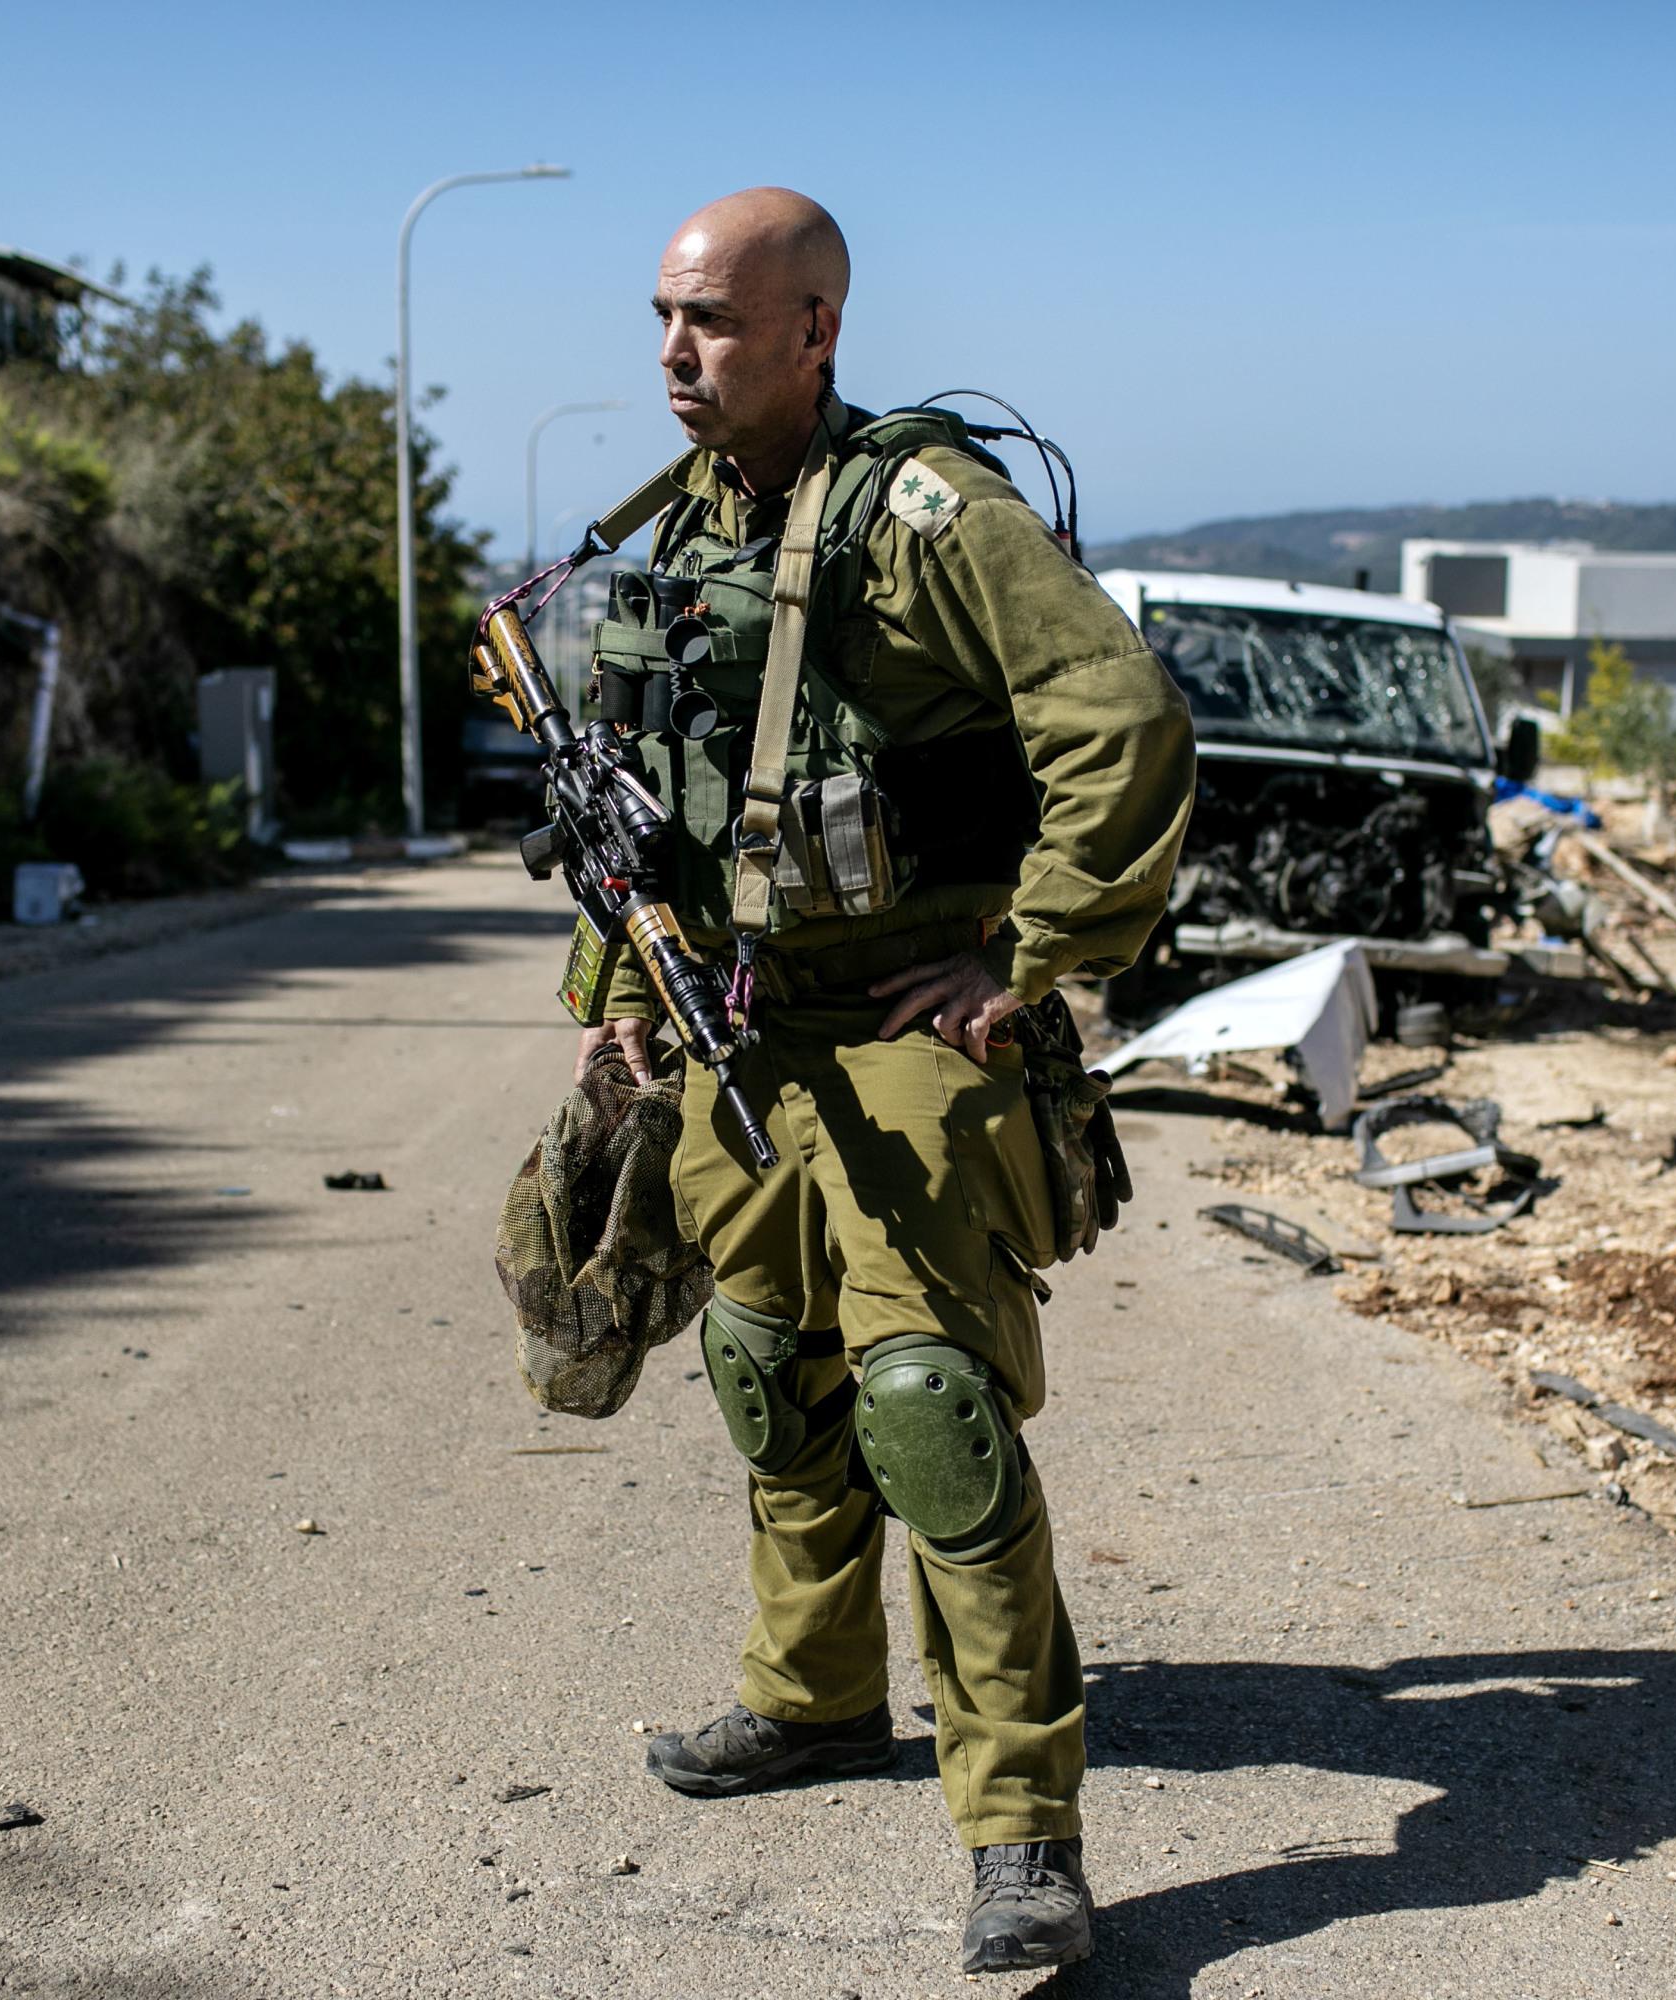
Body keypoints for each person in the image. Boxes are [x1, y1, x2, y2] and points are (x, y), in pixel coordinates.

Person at [571, 186, 1193, 1976]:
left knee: (926, 1399)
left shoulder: (930, 517)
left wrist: (1034, 954)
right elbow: (639, 782)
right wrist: (621, 975)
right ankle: (820, 1695)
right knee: (768, 1362)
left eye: (713, 324)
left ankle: (1022, 1833)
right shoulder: (680, 526)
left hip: (917, 1034)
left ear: (816, 331)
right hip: (740, 1025)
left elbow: (1123, 722)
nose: (675, 356)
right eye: (665, 321)